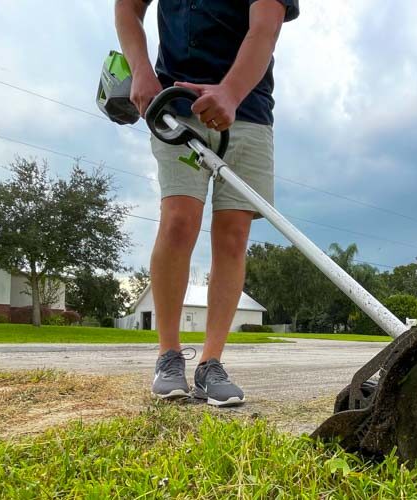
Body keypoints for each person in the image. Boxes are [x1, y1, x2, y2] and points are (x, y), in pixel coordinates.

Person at [115, 0, 299, 406]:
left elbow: (265, 27)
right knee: (179, 220)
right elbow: (128, 8)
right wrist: (142, 72)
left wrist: (231, 92)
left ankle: (211, 364)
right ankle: (168, 356)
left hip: (247, 109)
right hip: (176, 106)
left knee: (233, 236)